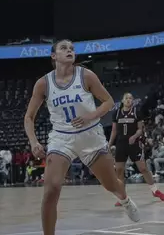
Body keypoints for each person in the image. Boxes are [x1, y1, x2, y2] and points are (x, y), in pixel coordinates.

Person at [23, 39, 139, 235]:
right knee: (51, 189)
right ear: (54, 56)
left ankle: (125, 199)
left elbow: (109, 102)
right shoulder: (43, 83)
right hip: (62, 138)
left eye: (71, 48)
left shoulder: (86, 75)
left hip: (90, 136)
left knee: (111, 184)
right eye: (64, 48)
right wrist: (33, 141)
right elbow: (29, 117)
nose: (69, 50)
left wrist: (90, 116)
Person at [109, 92, 164, 206]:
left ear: (133, 101)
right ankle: (122, 196)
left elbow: (140, 129)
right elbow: (114, 130)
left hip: (134, 144)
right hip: (121, 144)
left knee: (143, 168)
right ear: (122, 100)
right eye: (126, 98)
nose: (128, 100)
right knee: (119, 170)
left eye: (130, 98)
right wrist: (109, 144)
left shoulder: (137, 112)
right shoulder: (116, 113)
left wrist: (134, 136)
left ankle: (155, 190)